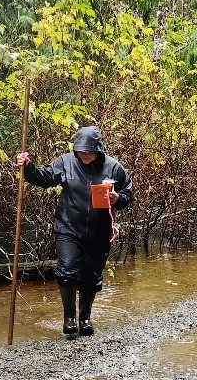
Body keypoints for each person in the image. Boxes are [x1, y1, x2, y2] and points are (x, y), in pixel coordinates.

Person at [16, 126, 134, 338]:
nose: (84, 154)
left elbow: (128, 194)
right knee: (67, 270)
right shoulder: (65, 162)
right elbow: (44, 178)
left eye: (89, 151)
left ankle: (84, 319)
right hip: (68, 228)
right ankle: (69, 320)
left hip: (99, 232)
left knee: (91, 277)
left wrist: (118, 199)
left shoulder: (114, 168)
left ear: (98, 149)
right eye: (81, 151)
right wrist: (28, 167)